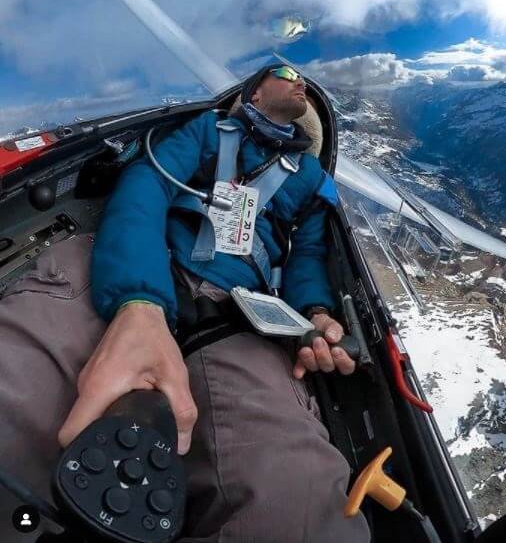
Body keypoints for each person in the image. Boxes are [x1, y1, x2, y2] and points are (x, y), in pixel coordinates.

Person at [0, 64, 371, 542]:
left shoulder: (311, 177)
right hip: (143, 257)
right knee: (17, 381)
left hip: (241, 314)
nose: (298, 80)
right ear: (255, 92)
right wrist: (139, 301)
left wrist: (317, 314)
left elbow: (310, 254)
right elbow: (146, 184)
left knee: (298, 502)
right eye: (285, 72)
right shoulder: (208, 132)